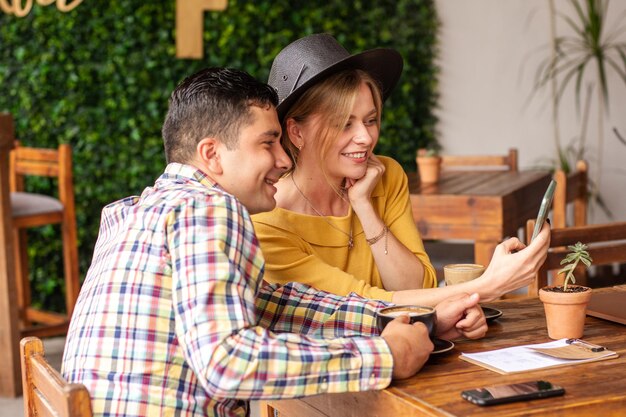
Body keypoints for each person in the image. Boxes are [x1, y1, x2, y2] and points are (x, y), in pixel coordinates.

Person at [61, 67, 488, 417]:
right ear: (212, 155)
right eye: (268, 143)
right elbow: (228, 364)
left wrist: (414, 317)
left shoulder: (139, 212)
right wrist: (384, 356)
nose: (283, 160)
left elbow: (274, 304)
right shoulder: (210, 209)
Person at [252, 33, 550, 306]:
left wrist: (364, 207)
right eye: (344, 124)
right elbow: (363, 306)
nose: (366, 138)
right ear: (297, 133)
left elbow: (418, 284)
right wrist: (488, 286)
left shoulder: (384, 176)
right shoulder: (267, 224)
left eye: (370, 120)